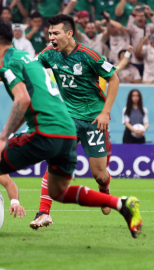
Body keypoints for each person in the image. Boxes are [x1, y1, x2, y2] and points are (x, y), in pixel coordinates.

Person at [0, 19, 142, 251]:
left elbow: (23, 100)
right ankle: (122, 204)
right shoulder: (28, 57)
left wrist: (2, 138)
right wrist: (2, 81)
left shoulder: (8, 60)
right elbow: (28, 91)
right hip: (66, 129)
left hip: (49, 130)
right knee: (58, 191)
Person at [31, 14, 122, 228]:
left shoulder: (89, 55)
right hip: (68, 118)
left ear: (69, 34)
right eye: (50, 33)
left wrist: (105, 113)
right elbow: (29, 67)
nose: (51, 37)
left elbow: (114, 78)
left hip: (93, 120)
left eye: (55, 33)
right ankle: (44, 212)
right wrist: (1, 75)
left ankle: (105, 190)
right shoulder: (49, 54)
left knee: (99, 174)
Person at [127, 9, 154, 76]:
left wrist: (151, 14)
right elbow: (128, 29)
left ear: (145, 19)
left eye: (142, 16)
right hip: (134, 60)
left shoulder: (149, 27)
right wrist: (133, 15)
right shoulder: (133, 28)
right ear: (135, 19)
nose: (140, 17)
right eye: (138, 16)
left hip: (147, 61)